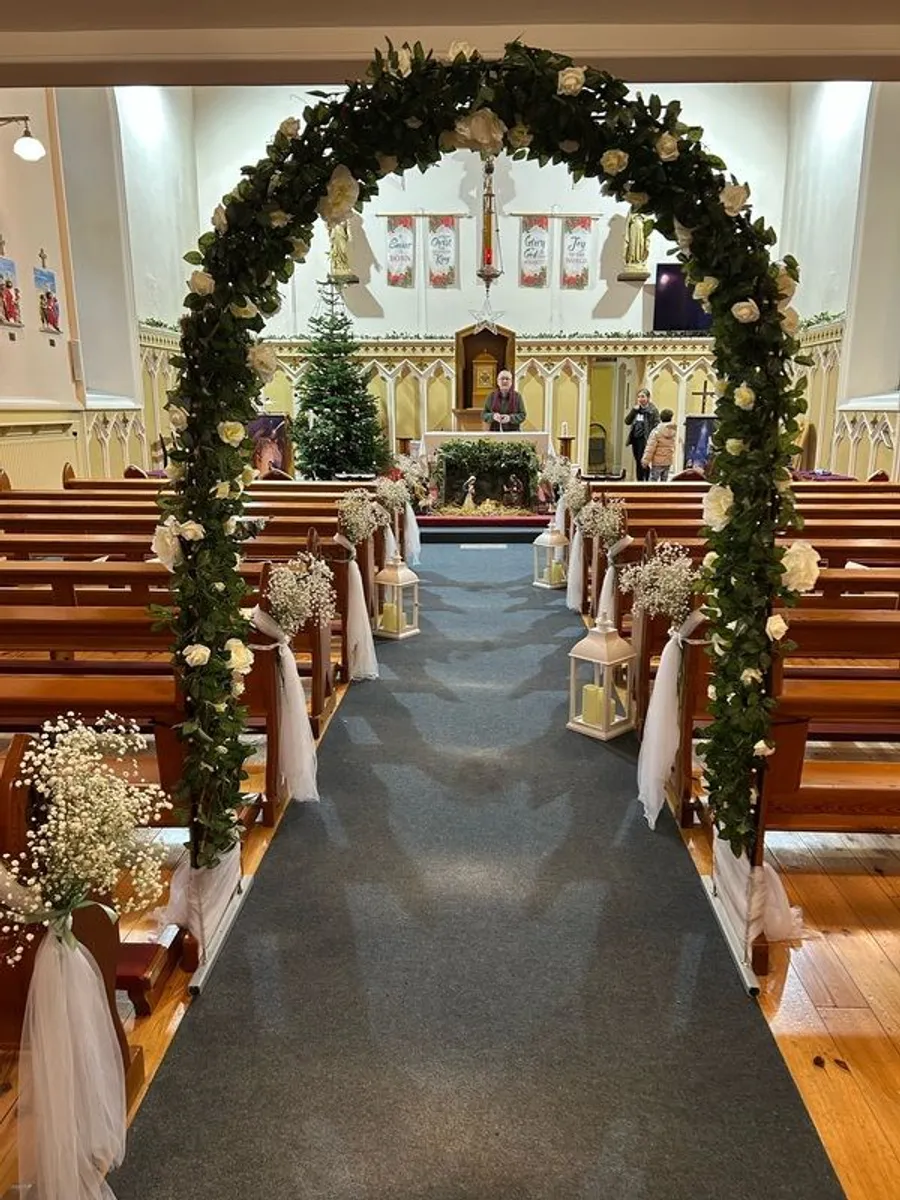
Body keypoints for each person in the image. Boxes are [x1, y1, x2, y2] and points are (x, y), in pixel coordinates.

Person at [624, 387, 660, 481]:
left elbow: (657, 424)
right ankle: (639, 480)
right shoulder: (636, 410)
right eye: (639, 397)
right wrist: (633, 411)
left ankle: (646, 480)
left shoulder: (652, 410)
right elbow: (627, 421)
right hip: (636, 439)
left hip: (646, 439)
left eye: (643, 396)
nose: (640, 399)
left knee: (643, 461)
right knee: (637, 460)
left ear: (648, 398)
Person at [641, 407, 675, 481]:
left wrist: (645, 461)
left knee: (653, 481)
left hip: (657, 462)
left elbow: (650, 448)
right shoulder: (673, 431)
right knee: (664, 481)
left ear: (660, 418)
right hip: (668, 461)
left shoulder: (656, 431)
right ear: (671, 418)